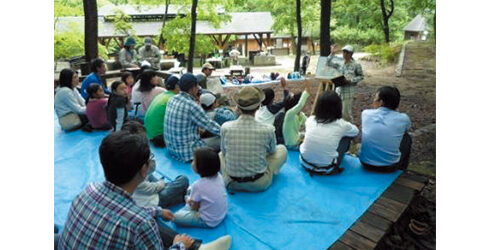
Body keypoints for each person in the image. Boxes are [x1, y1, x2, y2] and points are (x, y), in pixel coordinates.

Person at [58, 131, 232, 250]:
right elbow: (137, 218)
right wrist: (179, 245)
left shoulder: (87, 191)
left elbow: (124, 211)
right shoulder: (141, 223)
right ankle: (195, 247)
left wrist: (155, 211)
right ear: (144, 170)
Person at [220, 86, 287, 192]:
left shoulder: (225, 127)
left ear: (238, 106)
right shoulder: (268, 129)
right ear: (258, 106)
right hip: (259, 184)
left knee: (220, 154)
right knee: (282, 149)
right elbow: (272, 151)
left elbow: (223, 151)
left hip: (230, 182)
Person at [121, 120, 190, 209]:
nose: (146, 142)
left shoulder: (125, 156)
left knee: (168, 185)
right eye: (144, 139)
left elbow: (148, 176)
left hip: (144, 192)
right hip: (150, 200)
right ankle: (181, 197)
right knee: (183, 179)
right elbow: (148, 187)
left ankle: (179, 196)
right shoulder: (134, 164)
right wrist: (161, 184)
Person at [164, 73, 222, 162]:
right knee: (221, 139)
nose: (198, 88)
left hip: (171, 149)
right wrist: (229, 133)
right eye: (197, 85)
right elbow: (211, 126)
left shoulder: (172, 99)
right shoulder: (192, 105)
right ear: (192, 88)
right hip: (186, 153)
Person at [299, 91, 359, 175]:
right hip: (327, 168)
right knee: (347, 137)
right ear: (338, 107)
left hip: (305, 162)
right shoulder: (341, 125)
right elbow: (355, 131)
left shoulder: (310, 119)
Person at [359, 86, 412, 173]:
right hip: (390, 167)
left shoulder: (366, 114)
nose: (373, 100)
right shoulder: (403, 118)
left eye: (375, 98)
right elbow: (406, 129)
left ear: (381, 102)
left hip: (365, 163)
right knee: (407, 137)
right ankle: (402, 170)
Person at [174, 147, 228, 228]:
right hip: (222, 214)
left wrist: (189, 202)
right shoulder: (219, 176)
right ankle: (189, 200)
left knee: (176, 217)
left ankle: (187, 202)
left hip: (208, 221)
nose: (192, 163)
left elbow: (194, 207)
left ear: (201, 167)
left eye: (194, 161)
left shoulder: (198, 185)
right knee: (191, 190)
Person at [326, 44, 364, 122]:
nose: (345, 54)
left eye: (347, 52)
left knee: (346, 112)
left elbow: (361, 76)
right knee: (338, 110)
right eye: (344, 52)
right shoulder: (340, 63)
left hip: (349, 91)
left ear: (351, 54)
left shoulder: (356, 65)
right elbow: (328, 63)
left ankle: (350, 128)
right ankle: (341, 128)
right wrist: (332, 53)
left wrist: (351, 80)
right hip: (339, 90)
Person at [145, 75, 180, 148]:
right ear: (177, 87)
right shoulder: (173, 99)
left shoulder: (161, 95)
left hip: (149, 134)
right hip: (159, 136)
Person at [278, 79, 311, 148]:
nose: (305, 105)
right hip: (291, 145)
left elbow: (309, 122)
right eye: (305, 102)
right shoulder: (289, 114)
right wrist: (306, 90)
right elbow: (300, 105)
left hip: (297, 140)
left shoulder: (300, 114)